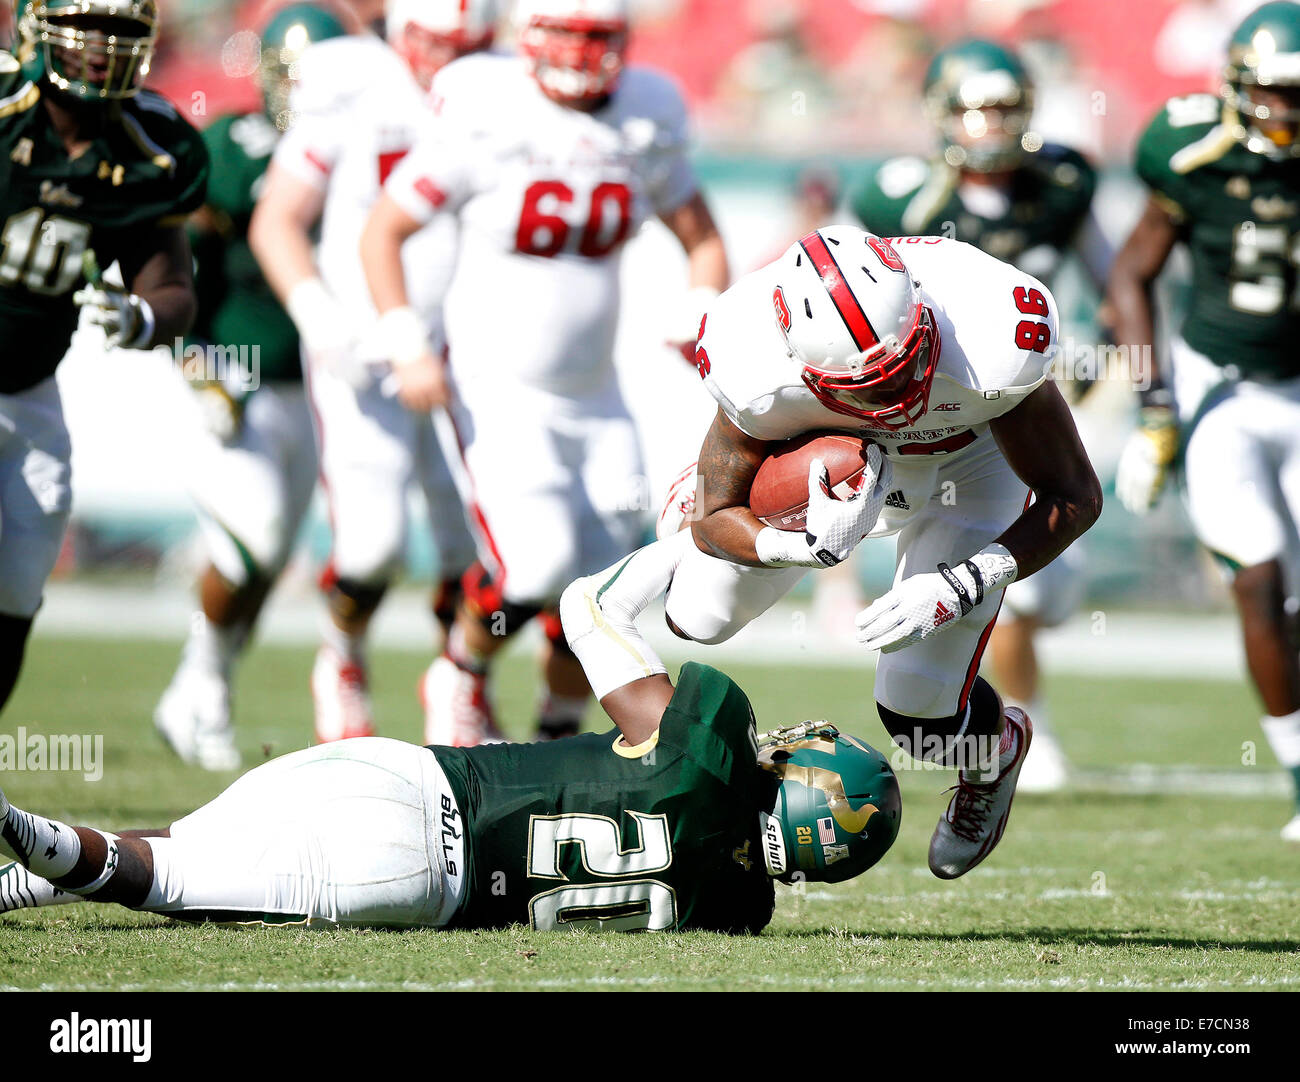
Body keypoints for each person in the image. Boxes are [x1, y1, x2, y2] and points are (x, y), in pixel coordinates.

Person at [0, 534, 901, 932]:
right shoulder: (740, 912)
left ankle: (14, 828)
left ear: (794, 769)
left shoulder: (706, 742)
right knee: (180, 867)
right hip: (418, 884)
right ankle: (16, 880)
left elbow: (587, 605)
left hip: (418, 785)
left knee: (174, 859)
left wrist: (704, 535)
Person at [658, 225, 1102, 879]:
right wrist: (798, 547)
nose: (897, 400)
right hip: (832, 471)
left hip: (969, 465)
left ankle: (994, 755)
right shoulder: (750, 355)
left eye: (907, 364)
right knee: (700, 616)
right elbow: (713, 514)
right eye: (869, 386)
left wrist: (965, 581)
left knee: (918, 713)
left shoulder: (989, 325)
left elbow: (1073, 496)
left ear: (921, 311)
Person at [360, 0, 730, 747]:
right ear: (530, 38)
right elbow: (384, 232)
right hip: (497, 386)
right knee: (533, 568)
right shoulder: (487, 107)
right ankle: (459, 671)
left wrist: (698, 313)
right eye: (569, 34)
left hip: (595, 393)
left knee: (602, 591)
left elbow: (702, 238)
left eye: (598, 37)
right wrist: (405, 340)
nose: (584, 53)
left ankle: (558, 736)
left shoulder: (642, 115)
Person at [851, 38, 1108, 792]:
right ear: (941, 115)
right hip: (941, 401)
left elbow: (1114, 277)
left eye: (1003, 106)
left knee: (1052, 581)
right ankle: (1028, 720)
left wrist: (1120, 370)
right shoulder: (895, 195)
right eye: (975, 107)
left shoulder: (1061, 182)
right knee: (1018, 584)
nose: (991, 124)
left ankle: (1017, 714)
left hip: (1040, 390)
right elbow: (847, 294)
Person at [248, 0, 490, 743]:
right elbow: (277, 220)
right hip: (367, 353)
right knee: (373, 545)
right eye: (432, 44)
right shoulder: (352, 83)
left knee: (478, 550)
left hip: (470, 353)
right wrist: (323, 321)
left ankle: (460, 681)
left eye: (463, 47)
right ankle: (343, 654)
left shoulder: (500, 91)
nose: (444, 64)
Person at [1107, 0, 1300, 841]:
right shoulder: (1191, 152)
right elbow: (1130, 275)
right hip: (1219, 386)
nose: (1287, 109)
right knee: (1257, 580)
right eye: (1273, 91)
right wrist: (1155, 406)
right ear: (1236, 86)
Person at [153, 3, 348, 773]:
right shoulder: (232, 147)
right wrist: (193, 359)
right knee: (255, 536)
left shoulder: (362, 150)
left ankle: (202, 692)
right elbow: (173, 260)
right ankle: (198, 680)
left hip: (320, 387)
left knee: (267, 560)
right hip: (237, 371)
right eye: (287, 72)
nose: (298, 90)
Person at [0, 0, 207, 714]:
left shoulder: (152, 148)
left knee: (19, 583)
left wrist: (140, 316)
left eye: (120, 30)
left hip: (28, 390)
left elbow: (173, 287)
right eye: (88, 24)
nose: (101, 45)